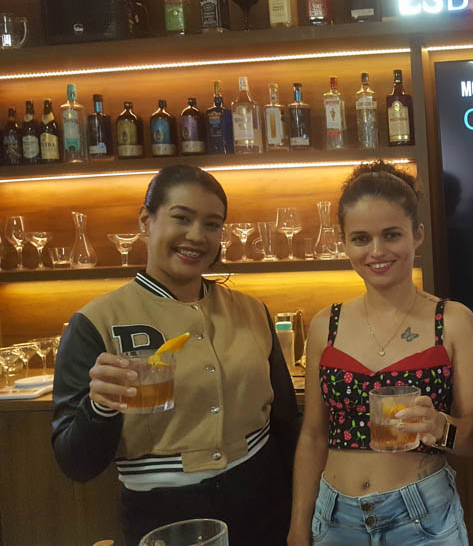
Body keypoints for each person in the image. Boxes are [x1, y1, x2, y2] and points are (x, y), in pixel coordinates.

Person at [51, 165, 299, 545]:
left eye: (212, 224)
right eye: (181, 218)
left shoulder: (252, 311)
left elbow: (285, 423)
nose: (197, 236)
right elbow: (76, 463)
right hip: (165, 514)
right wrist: (99, 407)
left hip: (264, 499)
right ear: (145, 220)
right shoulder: (95, 322)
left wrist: (301, 512)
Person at [288, 161, 473, 546]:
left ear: (418, 235)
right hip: (334, 519)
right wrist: (299, 525)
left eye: (391, 235)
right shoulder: (325, 324)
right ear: (344, 242)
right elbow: (313, 435)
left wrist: (439, 426)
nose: (376, 251)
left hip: (421, 518)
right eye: (361, 238)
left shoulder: (453, 321)